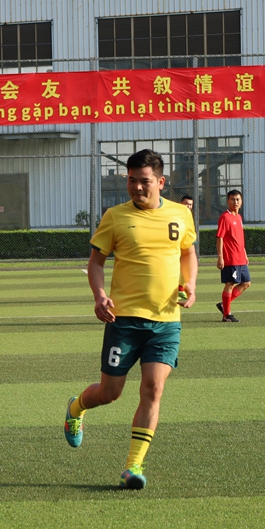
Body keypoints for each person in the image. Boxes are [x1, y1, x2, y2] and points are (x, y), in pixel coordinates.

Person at [63, 149, 197, 490]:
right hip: (124, 322)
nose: (137, 188)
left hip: (166, 321)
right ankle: (76, 408)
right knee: (110, 393)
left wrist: (190, 285)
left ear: (161, 182)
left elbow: (187, 253)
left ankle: (133, 466)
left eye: (145, 182)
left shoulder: (181, 214)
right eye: (132, 180)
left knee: (154, 389)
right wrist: (99, 296)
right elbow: (96, 263)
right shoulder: (115, 216)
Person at [216, 189, 249, 323]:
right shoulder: (225, 217)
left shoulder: (239, 217)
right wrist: (220, 256)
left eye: (237, 199)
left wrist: (245, 253)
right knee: (230, 284)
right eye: (232, 199)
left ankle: (225, 305)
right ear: (227, 201)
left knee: (246, 283)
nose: (235, 202)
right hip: (231, 257)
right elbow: (220, 237)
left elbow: (240, 238)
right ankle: (226, 314)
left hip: (241, 257)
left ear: (241, 202)